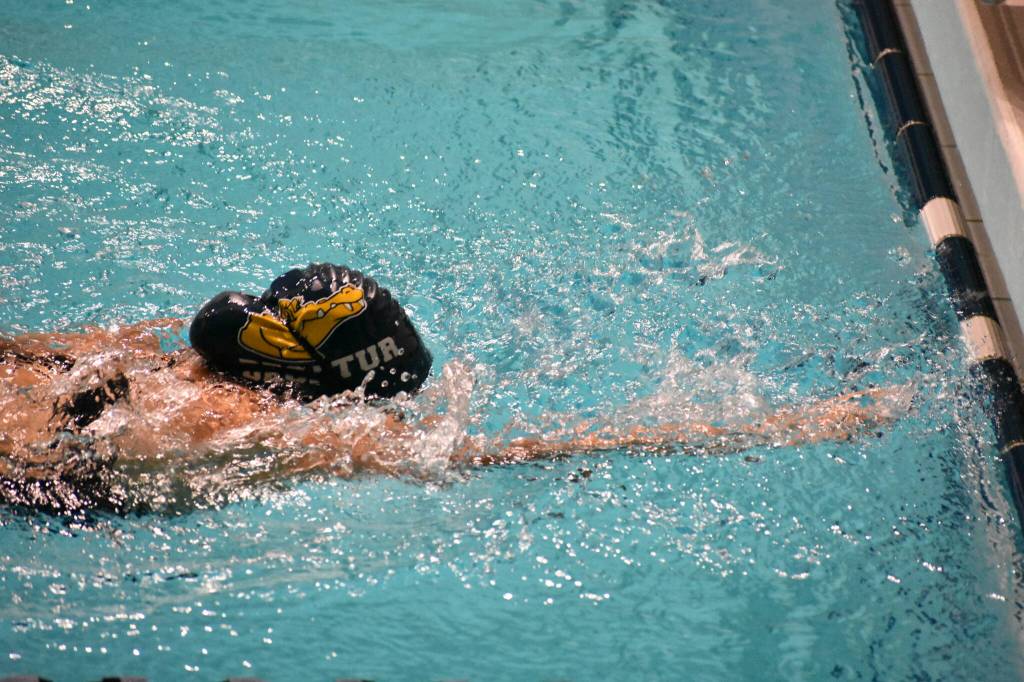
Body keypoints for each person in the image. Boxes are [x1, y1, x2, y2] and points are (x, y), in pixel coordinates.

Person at [0, 263, 909, 513]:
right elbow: (496, 453)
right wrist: (786, 424)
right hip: (43, 476)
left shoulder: (157, 350)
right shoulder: (295, 432)